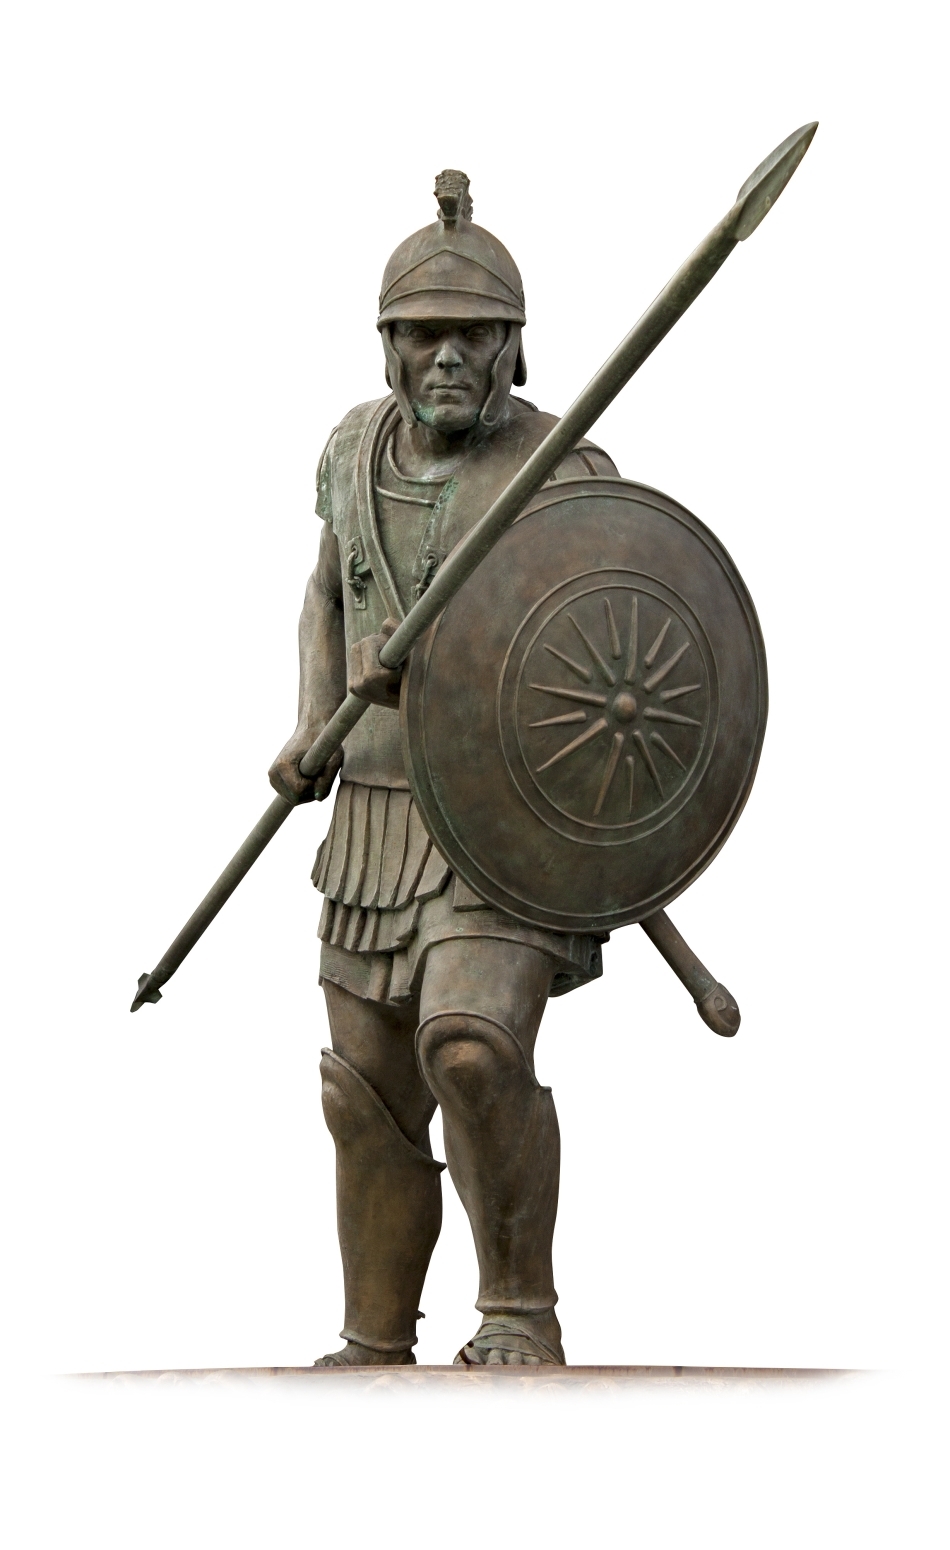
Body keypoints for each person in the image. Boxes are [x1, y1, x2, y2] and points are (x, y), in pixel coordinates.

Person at [268, 171, 617, 1366]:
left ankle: (518, 1310)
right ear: (387, 346)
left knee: (469, 1045)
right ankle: (374, 1335)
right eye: (423, 335)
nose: (448, 357)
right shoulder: (351, 451)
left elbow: (604, 657)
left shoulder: (562, 469)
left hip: (498, 818)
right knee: (359, 1084)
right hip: (371, 812)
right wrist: (309, 724)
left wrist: (455, 674)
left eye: (473, 334)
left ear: (513, 345)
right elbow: (328, 592)